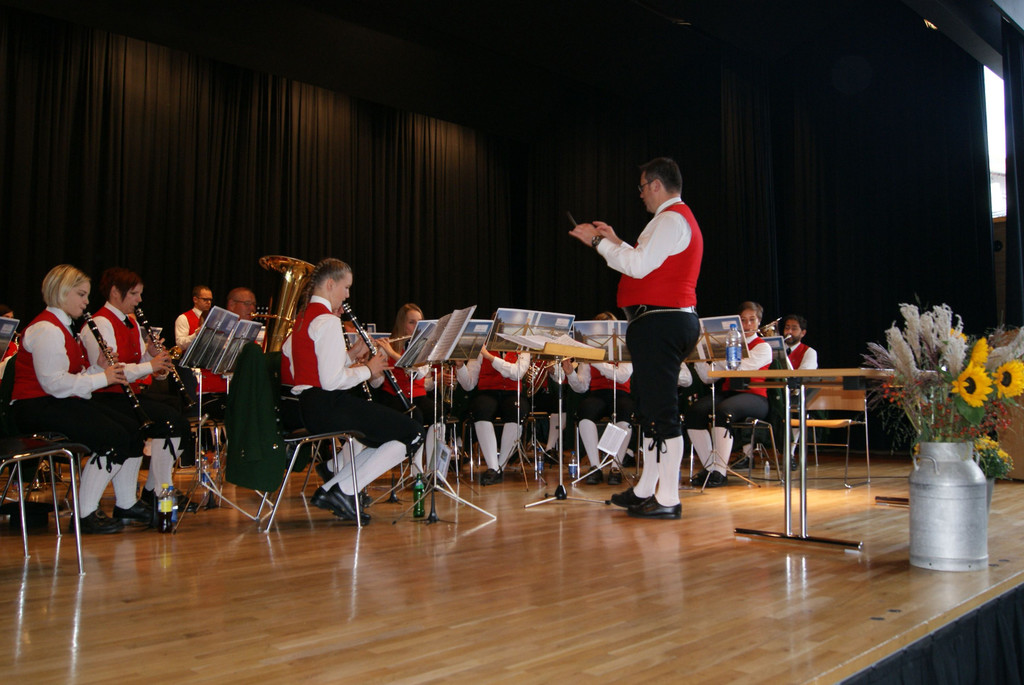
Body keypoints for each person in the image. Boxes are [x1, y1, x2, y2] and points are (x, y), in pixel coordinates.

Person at [569, 156, 702, 519]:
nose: (640, 194)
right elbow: (643, 261)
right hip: (658, 322)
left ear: (656, 184)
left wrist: (598, 241)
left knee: (662, 411)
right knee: (649, 409)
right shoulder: (669, 220)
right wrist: (615, 241)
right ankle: (646, 490)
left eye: (642, 187)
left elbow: (638, 267)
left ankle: (668, 498)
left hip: (663, 322)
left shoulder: (671, 219)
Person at [282, 258, 424, 524]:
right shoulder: (327, 321)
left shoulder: (302, 318)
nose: (347, 295)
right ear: (330, 284)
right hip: (328, 404)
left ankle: (333, 489)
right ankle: (344, 490)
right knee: (413, 432)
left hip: (310, 406)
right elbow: (331, 381)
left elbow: (301, 363)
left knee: (385, 434)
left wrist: (350, 355)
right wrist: (369, 369)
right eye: (346, 287)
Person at [11, 265, 139, 533]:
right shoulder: (47, 329)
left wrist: (99, 370)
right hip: (35, 407)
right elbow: (55, 384)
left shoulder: (62, 326)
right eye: (81, 294)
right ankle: (84, 514)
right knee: (112, 436)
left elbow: (70, 380)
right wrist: (104, 378)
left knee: (131, 429)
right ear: (62, 292)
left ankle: (123, 504)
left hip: (53, 401)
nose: (86, 301)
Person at [80, 267, 192, 514]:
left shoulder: (130, 321)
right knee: (167, 422)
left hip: (128, 394)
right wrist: (149, 365)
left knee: (178, 422)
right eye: (133, 294)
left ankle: (155, 489)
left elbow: (136, 364)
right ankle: (152, 493)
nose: (139, 300)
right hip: (105, 397)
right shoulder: (99, 323)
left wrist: (151, 357)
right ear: (114, 292)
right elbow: (113, 369)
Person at [686, 302, 773, 487]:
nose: (747, 325)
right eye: (743, 320)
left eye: (752, 320)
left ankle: (720, 472)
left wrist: (721, 355)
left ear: (759, 322)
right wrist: (699, 356)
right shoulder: (728, 345)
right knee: (694, 413)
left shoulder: (763, 347)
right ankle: (710, 467)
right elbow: (707, 378)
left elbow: (739, 369)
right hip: (729, 394)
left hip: (755, 397)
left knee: (724, 412)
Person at [564, 313, 634, 485]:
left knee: (625, 414)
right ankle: (595, 466)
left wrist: (595, 361)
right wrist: (571, 374)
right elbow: (582, 386)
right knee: (585, 411)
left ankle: (615, 466)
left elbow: (622, 376)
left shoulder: (626, 348)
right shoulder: (589, 351)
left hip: (621, 393)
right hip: (598, 394)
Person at [375, 303, 444, 477]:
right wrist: (371, 366)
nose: (416, 327)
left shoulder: (425, 347)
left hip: (418, 396)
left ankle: (433, 470)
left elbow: (419, 373)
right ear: (402, 324)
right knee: (416, 416)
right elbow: (376, 383)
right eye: (411, 322)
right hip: (394, 397)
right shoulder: (387, 347)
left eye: (420, 323)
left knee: (438, 413)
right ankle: (416, 470)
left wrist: (393, 354)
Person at [456, 343, 531, 486]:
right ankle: (493, 467)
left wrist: (490, 357)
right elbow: (469, 384)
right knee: (481, 409)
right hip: (487, 391)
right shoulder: (481, 347)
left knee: (517, 410)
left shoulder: (522, 346)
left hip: (512, 393)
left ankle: (499, 467)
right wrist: (460, 367)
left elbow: (517, 373)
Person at [174, 285, 214, 351]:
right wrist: (196, 335)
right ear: (195, 300)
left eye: (210, 300)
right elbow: (180, 344)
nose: (209, 302)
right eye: (205, 299)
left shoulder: (213, 318)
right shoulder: (183, 318)